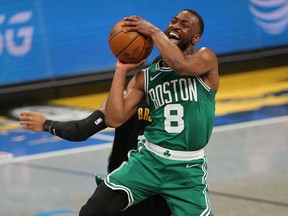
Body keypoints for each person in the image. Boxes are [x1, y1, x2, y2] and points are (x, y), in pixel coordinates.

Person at [79, 9, 219, 216]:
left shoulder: (205, 58)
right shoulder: (146, 77)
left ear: (196, 38)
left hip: (186, 169)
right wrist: (121, 70)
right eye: (174, 21)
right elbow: (114, 118)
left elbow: (181, 65)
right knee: (92, 212)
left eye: (184, 25)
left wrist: (153, 31)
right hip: (148, 161)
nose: (175, 26)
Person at [19, 76, 171, 215]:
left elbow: (81, 130)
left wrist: (47, 124)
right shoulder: (191, 104)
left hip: (125, 186)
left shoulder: (122, 101)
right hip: (168, 186)